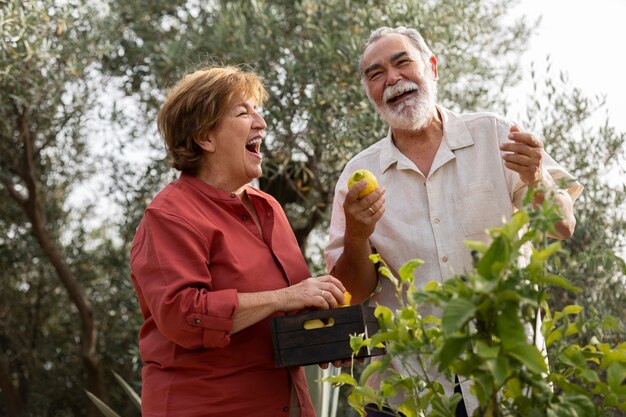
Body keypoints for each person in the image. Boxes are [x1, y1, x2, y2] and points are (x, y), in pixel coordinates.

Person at [324, 26, 583, 416]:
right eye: (375, 74)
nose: (392, 79)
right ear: (369, 92)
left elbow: (562, 226)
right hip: (413, 387)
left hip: (505, 373)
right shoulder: (358, 175)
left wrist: (537, 179)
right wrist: (358, 235)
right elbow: (351, 293)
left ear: (431, 67)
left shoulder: (494, 134)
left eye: (402, 63)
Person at [130, 65, 347, 417]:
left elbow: (290, 308)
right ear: (205, 137)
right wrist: (286, 297)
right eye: (243, 112)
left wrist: (326, 332)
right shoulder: (169, 216)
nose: (260, 122)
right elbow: (184, 316)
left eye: (257, 111)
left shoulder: (269, 208)